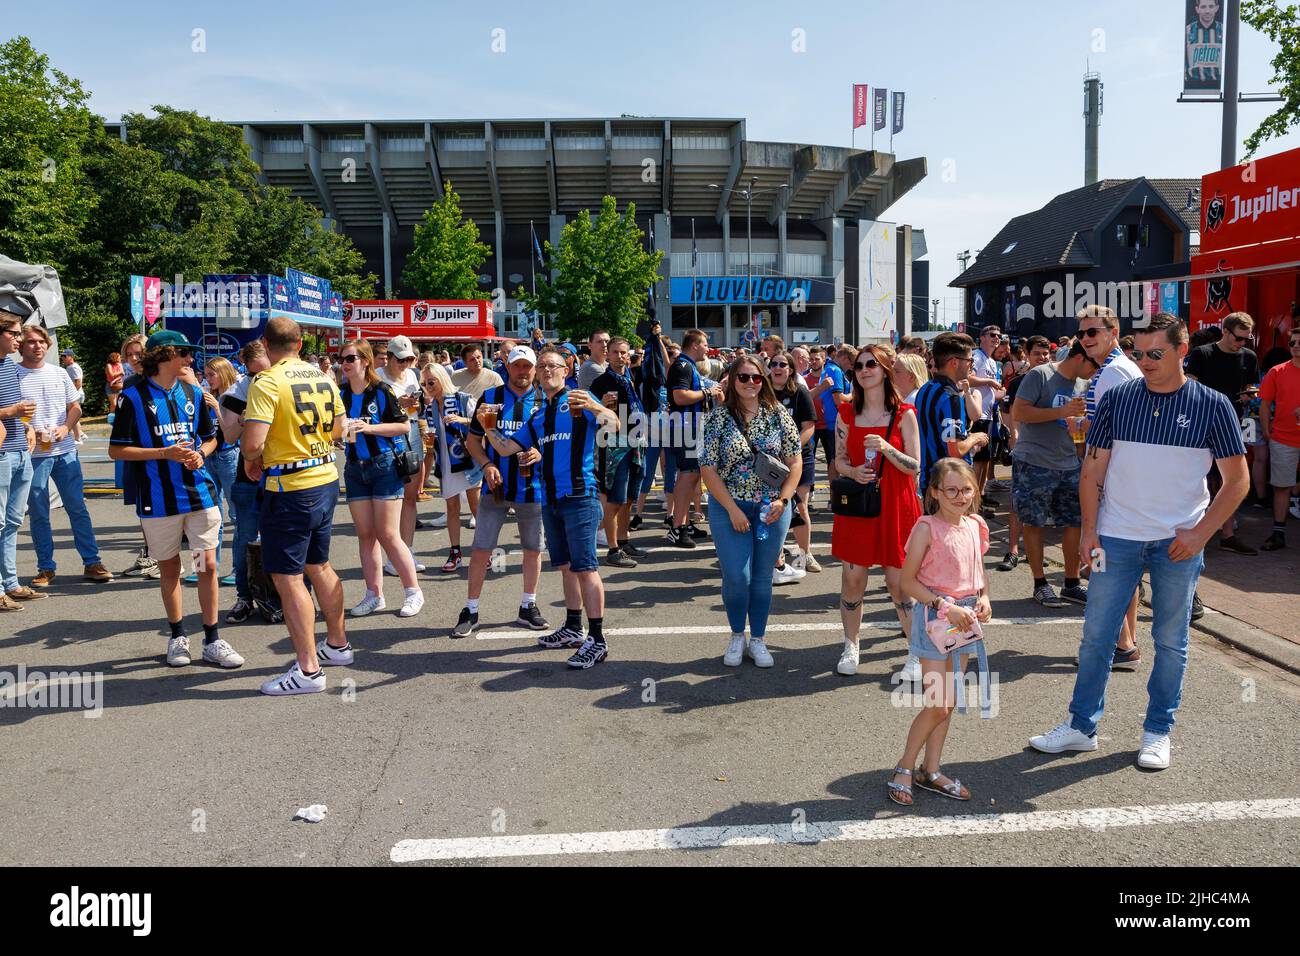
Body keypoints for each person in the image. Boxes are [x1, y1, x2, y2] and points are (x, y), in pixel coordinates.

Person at [1030, 313, 1248, 769]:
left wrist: (1201, 532)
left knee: (1171, 641)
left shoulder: (1213, 405)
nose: (1145, 362)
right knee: (1096, 637)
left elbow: (1237, 481)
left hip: (1178, 545)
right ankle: (1081, 726)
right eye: (1139, 354)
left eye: (1156, 354)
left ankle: (1157, 731)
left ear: (1182, 351)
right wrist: (1090, 531)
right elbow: (1092, 471)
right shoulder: (1118, 399)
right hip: (1117, 537)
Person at [480, 346, 622, 668]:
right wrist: (486, 425)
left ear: (566, 370)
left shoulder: (578, 401)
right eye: (541, 366)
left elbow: (615, 425)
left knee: (586, 568)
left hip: (579, 496)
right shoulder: (539, 417)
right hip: (551, 499)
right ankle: (574, 626)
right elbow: (504, 447)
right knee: (567, 567)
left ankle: (597, 639)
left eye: (552, 366)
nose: (545, 371)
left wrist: (597, 406)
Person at [109, 330, 243, 668]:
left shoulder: (192, 393)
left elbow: (211, 438)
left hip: (200, 494)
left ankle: (212, 638)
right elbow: (116, 449)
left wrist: (200, 452)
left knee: (207, 565)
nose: (190, 359)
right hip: (159, 500)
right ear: (165, 355)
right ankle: (178, 635)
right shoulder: (133, 396)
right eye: (184, 353)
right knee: (170, 568)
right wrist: (163, 453)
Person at [241, 316, 349, 696]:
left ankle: (308, 669)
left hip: (290, 485)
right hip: (324, 477)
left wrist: (257, 458)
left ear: (266, 345)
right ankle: (337, 644)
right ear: (300, 344)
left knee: (288, 578)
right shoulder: (324, 377)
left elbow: (252, 445)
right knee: (319, 565)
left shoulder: (267, 382)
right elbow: (338, 430)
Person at [887, 458, 993, 807]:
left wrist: (985, 599)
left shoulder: (976, 525)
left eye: (966, 489)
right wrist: (947, 607)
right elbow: (907, 581)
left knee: (947, 704)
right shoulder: (926, 528)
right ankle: (905, 767)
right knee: (939, 703)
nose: (960, 496)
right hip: (936, 620)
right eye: (951, 490)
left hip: (964, 624)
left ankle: (931, 771)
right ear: (934, 492)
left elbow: (978, 574)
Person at [699, 355, 802, 668]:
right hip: (729, 506)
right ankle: (735, 635)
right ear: (732, 380)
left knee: (760, 578)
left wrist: (783, 501)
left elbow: (794, 461)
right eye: (743, 377)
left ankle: (757, 638)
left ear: (765, 380)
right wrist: (732, 509)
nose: (750, 383)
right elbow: (707, 467)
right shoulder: (718, 417)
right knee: (736, 576)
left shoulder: (777, 414)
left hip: (771, 507)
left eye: (756, 377)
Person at [834, 345, 922, 677]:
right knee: (853, 579)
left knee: (899, 583)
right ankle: (851, 644)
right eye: (858, 366)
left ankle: (915, 651)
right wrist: (851, 471)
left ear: (885, 369)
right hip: (859, 507)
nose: (865, 369)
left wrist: (887, 448)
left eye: (872, 364)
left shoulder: (905, 414)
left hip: (897, 506)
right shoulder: (846, 414)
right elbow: (838, 459)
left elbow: (915, 466)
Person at [453, 344, 548, 637]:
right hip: (495, 486)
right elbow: (472, 441)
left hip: (532, 487)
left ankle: (528, 605)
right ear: (507, 367)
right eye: (517, 365)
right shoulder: (491, 397)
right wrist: (485, 465)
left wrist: (540, 454)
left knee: (532, 549)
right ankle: (470, 608)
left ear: (535, 369)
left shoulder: (545, 400)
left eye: (527, 366)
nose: (522, 371)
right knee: (481, 548)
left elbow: (556, 440)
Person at [17, 324, 112, 588]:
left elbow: (75, 408)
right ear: (21, 346)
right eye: (31, 342)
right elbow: (10, 411)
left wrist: (65, 427)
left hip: (65, 451)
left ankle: (92, 562)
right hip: (34, 455)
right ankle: (45, 568)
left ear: (47, 345)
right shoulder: (14, 374)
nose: (37, 346)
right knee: (38, 513)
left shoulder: (59, 374)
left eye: (41, 342)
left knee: (77, 508)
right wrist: (28, 428)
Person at [1078, 303, 1148, 648]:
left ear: (1113, 332)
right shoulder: (1115, 368)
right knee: (1117, 565)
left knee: (1100, 563)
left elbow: (1120, 433)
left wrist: (1099, 485)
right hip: (1118, 478)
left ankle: (1120, 643)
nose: (1086, 338)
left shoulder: (1115, 371)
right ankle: (1126, 640)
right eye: (1082, 333)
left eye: (1093, 332)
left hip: (1111, 480)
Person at [339, 339, 424, 617]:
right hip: (355, 467)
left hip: (384, 464)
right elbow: (334, 429)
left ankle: (413, 591)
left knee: (388, 533)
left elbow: (402, 425)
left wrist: (370, 427)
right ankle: (374, 594)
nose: (345, 364)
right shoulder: (340, 393)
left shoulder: (381, 391)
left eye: (351, 358)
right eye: (343, 359)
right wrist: (337, 437)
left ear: (365, 361)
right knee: (365, 535)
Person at [1010, 340, 1098, 610]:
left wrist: (1080, 436)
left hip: (1070, 463)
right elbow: (1019, 411)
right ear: (1081, 358)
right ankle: (1040, 583)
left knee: (1074, 521)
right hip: (1035, 461)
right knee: (1033, 522)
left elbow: (1077, 425)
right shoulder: (1041, 375)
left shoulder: (1084, 384)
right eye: (1094, 364)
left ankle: (1071, 583)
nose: (1095, 371)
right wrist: (1060, 412)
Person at [1185, 311, 1260, 555]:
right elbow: (1188, 388)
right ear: (1225, 332)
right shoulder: (1203, 354)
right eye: (1238, 338)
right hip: (1200, 426)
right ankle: (1194, 528)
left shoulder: (1249, 357)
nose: (1242, 344)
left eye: (1246, 340)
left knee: (1232, 480)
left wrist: (1250, 393)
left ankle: (1227, 533)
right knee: (1200, 478)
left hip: (1233, 424)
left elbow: (1250, 384)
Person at [218, 340, 281, 624]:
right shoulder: (236, 393)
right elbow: (229, 437)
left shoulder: (282, 386)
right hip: (248, 479)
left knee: (282, 539)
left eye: (263, 371)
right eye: (253, 373)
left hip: (282, 475)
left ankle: (280, 597)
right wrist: (245, 420)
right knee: (245, 538)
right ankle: (244, 598)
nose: (259, 378)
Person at [995, 335, 1053, 572]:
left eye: (1046, 352)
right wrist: (1014, 442)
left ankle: (1033, 552)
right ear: (1027, 355)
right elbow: (1009, 415)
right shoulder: (1018, 383)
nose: (1043, 357)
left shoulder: (1057, 380)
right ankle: (1013, 551)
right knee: (1017, 503)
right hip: (1025, 451)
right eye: (1038, 353)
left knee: (1041, 506)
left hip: (1050, 452)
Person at [591, 337, 647, 567]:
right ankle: (612, 549)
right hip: (614, 445)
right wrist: (601, 404)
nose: (620, 356)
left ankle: (623, 541)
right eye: (615, 352)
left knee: (629, 497)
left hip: (635, 441)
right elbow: (590, 415)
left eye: (624, 352)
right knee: (615, 498)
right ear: (608, 354)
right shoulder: (601, 382)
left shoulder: (629, 376)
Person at [421, 362, 481, 573]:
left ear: (441, 379)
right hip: (445, 463)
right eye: (424, 383)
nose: (428, 386)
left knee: (476, 508)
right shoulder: (430, 407)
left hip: (468, 461)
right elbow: (431, 432)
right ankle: (455, 552)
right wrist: (428, 435)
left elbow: (482, 421)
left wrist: (462, 419)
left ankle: (484, 551)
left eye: (431, 382)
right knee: (452, 509)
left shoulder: (461, 399)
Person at [666, 329, 723, 548]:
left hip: (690, 427)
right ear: (695, 345)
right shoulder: (682, 365)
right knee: (688, 476)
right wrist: (708, 393)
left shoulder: (687, 366)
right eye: (705, 344)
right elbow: (680, 397)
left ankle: (684, 524)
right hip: (684, 428)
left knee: (691, 477)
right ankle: (677, 528)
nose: (708, 349)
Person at [914, 332, 990, 493]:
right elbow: (955, 450)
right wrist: (976, 437)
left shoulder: (925, 389)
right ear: (954, 362)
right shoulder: (951, 397)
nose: (972, 365)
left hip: (928, 481)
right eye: (970, 360)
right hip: (949, 487)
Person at [377, 335, 426, 573]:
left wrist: (416, 402)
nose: (405, 365)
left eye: (409, 360)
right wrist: (399, 404)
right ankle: (392, 556)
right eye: (401, 360)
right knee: (390, 498)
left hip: (413, 431)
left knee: (409, 496)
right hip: (390, 437)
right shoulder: (377, 376)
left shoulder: (413, 376)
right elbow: (373, 411)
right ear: (389, 357)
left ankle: (407, 550)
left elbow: (417, 407)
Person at [0, 308, 38, 611]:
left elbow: (16, 408)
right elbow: (10, 409)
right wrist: (12, 413)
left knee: (12, 521)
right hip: (1, 453)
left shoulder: (10, 367)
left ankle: (10, 583)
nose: (20, 339)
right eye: (14, 333)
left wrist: (27, 427)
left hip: (19, 450)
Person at [770, 350, 819, 574]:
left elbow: (809, 426)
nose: (777, 368)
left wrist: (791, 449)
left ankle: (804, 555)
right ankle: (775, 556)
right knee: (773, 506)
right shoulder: (763, 392)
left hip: (799, 457)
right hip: (770, 461)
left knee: (799, 506)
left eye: (782, 364)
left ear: (790, 370)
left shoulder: (800, 392)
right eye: (774, 364)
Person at [1258, 327, 1300, 550]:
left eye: (1299, 342)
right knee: (1282, 487)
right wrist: (1266, 431)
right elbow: (1265, 403)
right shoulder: (1277, 371)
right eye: (1292, 343)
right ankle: (1278, 534)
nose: (1295, 346)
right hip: (1283, 438)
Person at [968, 326, 1006, 495]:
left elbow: (991, 391)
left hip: (989, 414)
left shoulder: (992, 361)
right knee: (977, 459)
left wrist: (1000, 393)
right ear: (982, 337)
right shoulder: (976, 356)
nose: (996, 338)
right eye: (992, 335)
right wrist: (989, 382)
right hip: (977, 414)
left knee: (985, 459)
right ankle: (973, 498)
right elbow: (967, 379)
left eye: (999, 336)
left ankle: (980, 496)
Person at [810, 345, 851, 485]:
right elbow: (838, 399)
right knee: (835, 458)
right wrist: (854, 395)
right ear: (845, 358)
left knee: (834, 458)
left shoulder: (830, 369)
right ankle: (835, 495)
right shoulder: (835, 370)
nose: (851, 367)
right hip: (835, 420)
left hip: (831, 419)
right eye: (851, 363)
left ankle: (835, 495)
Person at [59, 350, 85, 444]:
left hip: (75, 395)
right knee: (72, 415)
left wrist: (71, 395)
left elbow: (78, 382)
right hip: (75, 394)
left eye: (65, 356)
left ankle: (78, 438)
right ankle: (80, 434)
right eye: (62, 356)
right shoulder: (70, 367)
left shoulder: (73, 367)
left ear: (71, 356)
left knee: (72, 415)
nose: (63, 358)